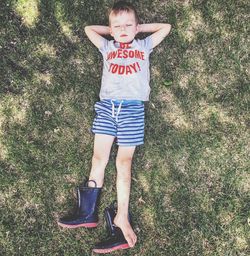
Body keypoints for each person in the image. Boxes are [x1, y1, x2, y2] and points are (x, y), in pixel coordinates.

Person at [58, 0, 171, 253]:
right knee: (98, 158)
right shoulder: (107, 46)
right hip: (107, 107)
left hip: (132, 110)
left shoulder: (143, 45)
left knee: (123, 163)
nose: (122, 29)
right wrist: (112, 31)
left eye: (128, 25)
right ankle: (87, 212)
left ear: (137, 27)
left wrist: (138, 30)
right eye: (117, 25)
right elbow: (89, 29)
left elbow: (166, 27)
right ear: (110, 30)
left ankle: (121, 218)